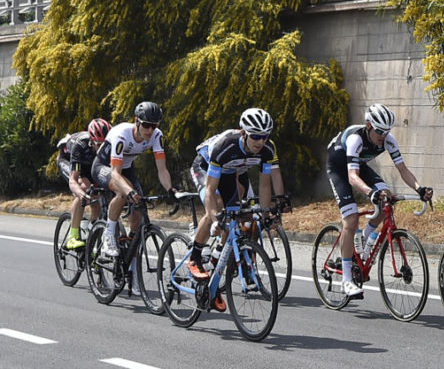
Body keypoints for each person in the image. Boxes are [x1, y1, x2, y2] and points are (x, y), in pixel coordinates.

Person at [325, 103, 433, 300]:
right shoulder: (356, 139)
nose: (383, 135)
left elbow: (403, 169)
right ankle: (346, 280)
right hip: (340, 169)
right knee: (350, 219)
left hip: (359, 165)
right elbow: (352, 177)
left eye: (387, 131)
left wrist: (419, 188)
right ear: (368, 126)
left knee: (387, 198)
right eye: (379, 131)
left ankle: (365, 236)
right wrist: (369, 192)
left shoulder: (388, 141)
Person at [186, 107, 288, 298]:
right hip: (205, 165)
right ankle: (195, 256)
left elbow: (265, 186)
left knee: (235, 214)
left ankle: (217, 255)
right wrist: (215, 219)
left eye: (265, 136)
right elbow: (209, 190)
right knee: (216, 209)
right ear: (243, 132)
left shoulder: (267, 150)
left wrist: (265, 217)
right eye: (256, 136)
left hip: (231, 171)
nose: (261, 141)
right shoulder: (226, 145)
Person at [92, 101, 178, 259]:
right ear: (136, 121)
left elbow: (162, 169)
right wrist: (128, 190)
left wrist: (169, 189)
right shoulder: (121, 135)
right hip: (104, 167)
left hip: (126, 168)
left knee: (138, 213)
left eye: (154, 125)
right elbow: (116, 174)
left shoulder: (157, 136)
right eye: (146, 125)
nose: (150, 130)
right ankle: (109, 234)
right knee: (124, 192)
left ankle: (131, 256)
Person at [58, 118, 112, 249]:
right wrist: (82, 195)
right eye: (98, 145)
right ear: (91, 141)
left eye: (103, 145)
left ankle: (90, 229)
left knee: (97, 203)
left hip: (90, 165)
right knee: (84, 188)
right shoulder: (81, 145)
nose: (101, 149)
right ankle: (73, 236)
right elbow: (73, 179)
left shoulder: (110, 145)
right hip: (67, 160)